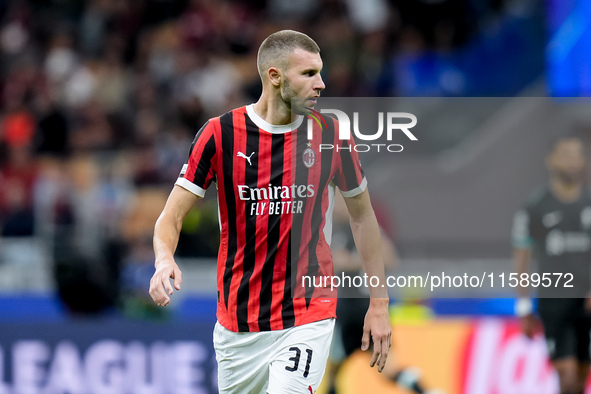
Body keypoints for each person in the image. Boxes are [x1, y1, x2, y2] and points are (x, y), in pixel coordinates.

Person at [148, 30, 391, 394]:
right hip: (237, 324)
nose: (321, 84)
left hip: (307, 311)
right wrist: (164, 259)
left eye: (320, 72)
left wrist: (380, 302)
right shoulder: (220, 135)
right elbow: (172, 215)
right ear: (274, 76)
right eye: (309, 74)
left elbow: (362, 216)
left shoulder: (333, 136)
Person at [512, 136, 591, 394]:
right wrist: (523, 305)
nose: (572, 161)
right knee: (567, 376)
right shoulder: (536, 206)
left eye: (577, 154)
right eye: (565, 154)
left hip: (588, 299)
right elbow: (522, 257)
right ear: (551, 160)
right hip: (555, 301)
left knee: (579, 377)